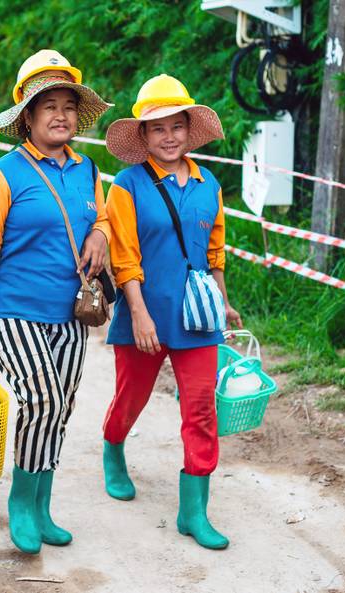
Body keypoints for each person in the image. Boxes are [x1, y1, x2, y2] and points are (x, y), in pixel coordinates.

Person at [0, 49, 112, 554]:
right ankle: (20, 504)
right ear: (27, 116)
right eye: (49, 106)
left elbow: (101, 218)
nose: (61, 115)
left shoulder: (88, 170)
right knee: (39, 399)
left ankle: (43, 506)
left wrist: (102, 234)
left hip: (71, 312)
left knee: (59, 408)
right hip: (14, 310)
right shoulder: (0, 177)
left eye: (68, 105)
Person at [100, 74, 242, 549]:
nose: (168, 137)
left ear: (189, 129)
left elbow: (214, 251)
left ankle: (193, 512)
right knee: (131, 399)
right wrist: (138, 313)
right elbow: (123, 256)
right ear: (142, 136)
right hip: (145, 313)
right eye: (157, 128)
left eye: (176, 126)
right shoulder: (127, 185)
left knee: (201, 410)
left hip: (197, 319)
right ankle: (114, 445)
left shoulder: (209, 185)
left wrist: (223, 301)